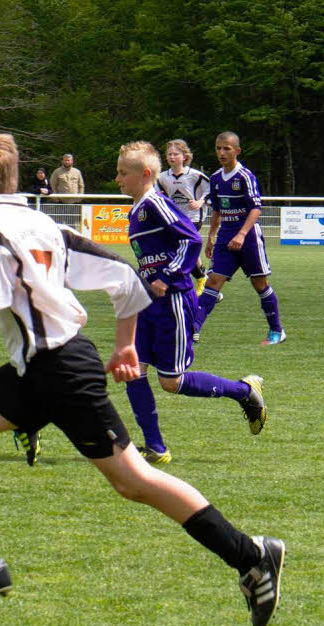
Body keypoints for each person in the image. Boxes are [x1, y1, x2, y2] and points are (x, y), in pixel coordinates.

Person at [0, 132, 284, 626]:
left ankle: (252, 555)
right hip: (39, 365)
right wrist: (125, 344)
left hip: (60, 371)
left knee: (133, 481)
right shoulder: (37, 220)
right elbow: (121, 276)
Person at [117, 141, 267, 465]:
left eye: (122, 173)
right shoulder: (137, 208)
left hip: (172, 301)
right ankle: (155, 447)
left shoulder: (156, 203)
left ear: (144, 174)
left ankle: (244, 392)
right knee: (134, 371)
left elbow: (191, 238)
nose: (117, 179)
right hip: (148, 303)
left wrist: (166, 276)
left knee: (171, 382)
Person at [195, 132, 286, 345]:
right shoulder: (216, 178)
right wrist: (211, 236)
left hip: (249, 237)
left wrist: (242, 234)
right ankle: (192, 330)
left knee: (259, 282)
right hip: (226, 237)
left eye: (226, 148)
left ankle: (276, 331)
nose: (221, 152)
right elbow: (216, 210)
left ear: (237, 150)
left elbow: (256, 209)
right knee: (213, 281)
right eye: (218, 148)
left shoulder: (245, 176)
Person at [156, 139, 210, 295]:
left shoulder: (194, 175)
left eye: (176, 154)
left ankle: (197, 279)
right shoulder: (162, 177)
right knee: (184, 249)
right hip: (175, 219)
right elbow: (158, 195)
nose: (172, 157)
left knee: (184, 247)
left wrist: (200, 202)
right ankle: (201, 277)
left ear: (184, 156)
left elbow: (211, 189)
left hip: (193, 217)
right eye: (169, 154)